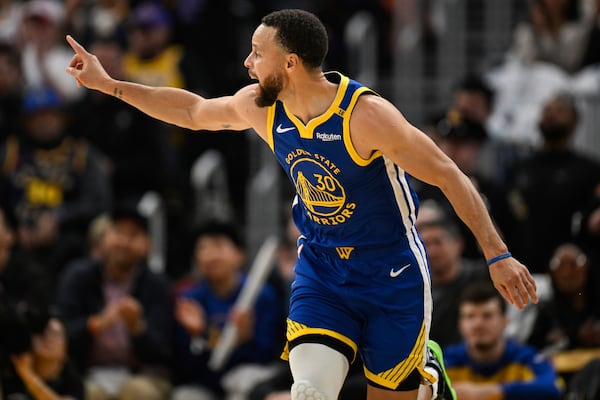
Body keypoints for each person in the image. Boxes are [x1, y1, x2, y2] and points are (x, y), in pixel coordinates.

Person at [64, 9, 538, 400]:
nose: (248, 63)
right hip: (322, 268)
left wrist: (497, 254)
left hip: (391, 274)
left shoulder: (366, 116)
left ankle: (425, 378)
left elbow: (449, 175)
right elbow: (192, 111)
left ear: (289, 63)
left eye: (257, 53)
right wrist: (110, 86)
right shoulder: (263, 106)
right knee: (308, 391)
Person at [55, 206, 173, 400]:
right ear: (104, 237)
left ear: (147, 245)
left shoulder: (159, 285)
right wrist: (95, 325)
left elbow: (164, 353)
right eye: (118, 232)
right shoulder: (76, 276)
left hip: (143, 375)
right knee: (87, 394)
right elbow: (62, 336)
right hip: (87, 374)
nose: (124, 242)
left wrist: (138, 329)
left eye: (133, 235)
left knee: (137, 392)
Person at [172, 220, 284, 400]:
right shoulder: (189, 299)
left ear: (239, 255)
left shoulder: (262, 296)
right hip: (204, 384)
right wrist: (196, 335)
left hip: (246, 381)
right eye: (203, 248)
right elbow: (183, 369)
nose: (211, 255)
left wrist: (245, 340)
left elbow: (269, 358)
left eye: (219, 246)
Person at [443, 283, 563, 400]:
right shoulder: (447, 361)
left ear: (505, 322)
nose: (478, 324)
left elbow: (552, 388)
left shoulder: (523, 357)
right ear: (460, 324)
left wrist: (488, 392)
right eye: (470, 316)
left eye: (487, 315)